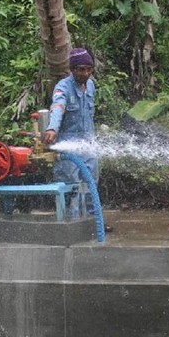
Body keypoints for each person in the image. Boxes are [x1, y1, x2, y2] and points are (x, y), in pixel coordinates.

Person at [42, 48, 98, 219]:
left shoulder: (90, 85)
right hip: (68, 146)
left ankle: (93, 222)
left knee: (91, 184)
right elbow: (58, 107)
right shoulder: (63, 87)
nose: (86, 73)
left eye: (89, 69)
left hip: (88, 143)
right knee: (71, 185)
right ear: (73, 69)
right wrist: (52, 128)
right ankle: (72, 222)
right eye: (81, 69)